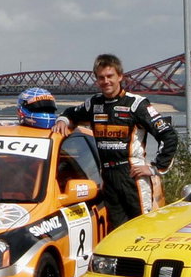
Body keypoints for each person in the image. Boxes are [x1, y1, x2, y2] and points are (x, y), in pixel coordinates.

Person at [54, 53, 177, 228]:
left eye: (110, 76)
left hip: (132, 175)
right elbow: (71, 114)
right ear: (97, 80)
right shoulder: (94, 104)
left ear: (120, 76)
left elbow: (168, 135)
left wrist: (155, 167)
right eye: (101, 78)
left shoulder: (137, 104)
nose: (106, 81)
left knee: (142, 228)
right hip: (107, 176)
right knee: (116, 231)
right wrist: (63, 120)